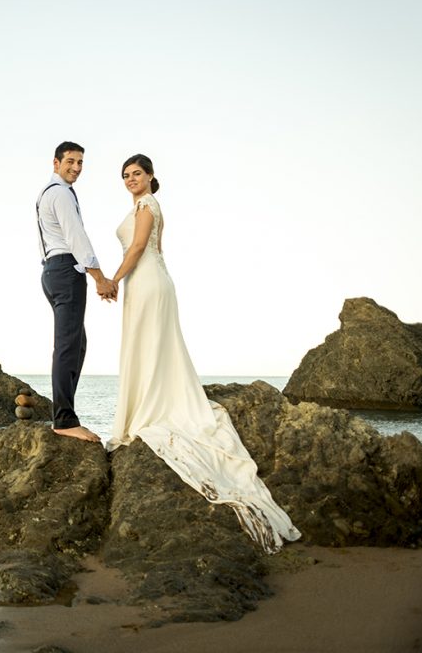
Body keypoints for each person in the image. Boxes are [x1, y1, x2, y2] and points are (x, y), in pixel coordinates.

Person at [106, 153, 300, 552]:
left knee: (150, 346)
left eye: (137, 173)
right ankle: (148, 402)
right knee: (150, 346)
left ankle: (149, 407)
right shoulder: (148, 206)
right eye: (125, 175)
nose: (130, 179)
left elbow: (142, 245)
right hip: (149, 282)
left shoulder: (147, 206)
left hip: (146, 280)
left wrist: (113, 278)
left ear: (150, 177)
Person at [36, 141, 117, 443]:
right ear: (55, 163)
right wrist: (99, 278)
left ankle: (65, 412)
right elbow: (76, 238)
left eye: (80, 162)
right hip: (66, 269)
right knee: (69, 345)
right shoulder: (59, 193)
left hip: (52, 271)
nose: (76, 167)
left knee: (77, 343)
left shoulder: (51, 192)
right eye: (70, 161)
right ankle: (65, 420)